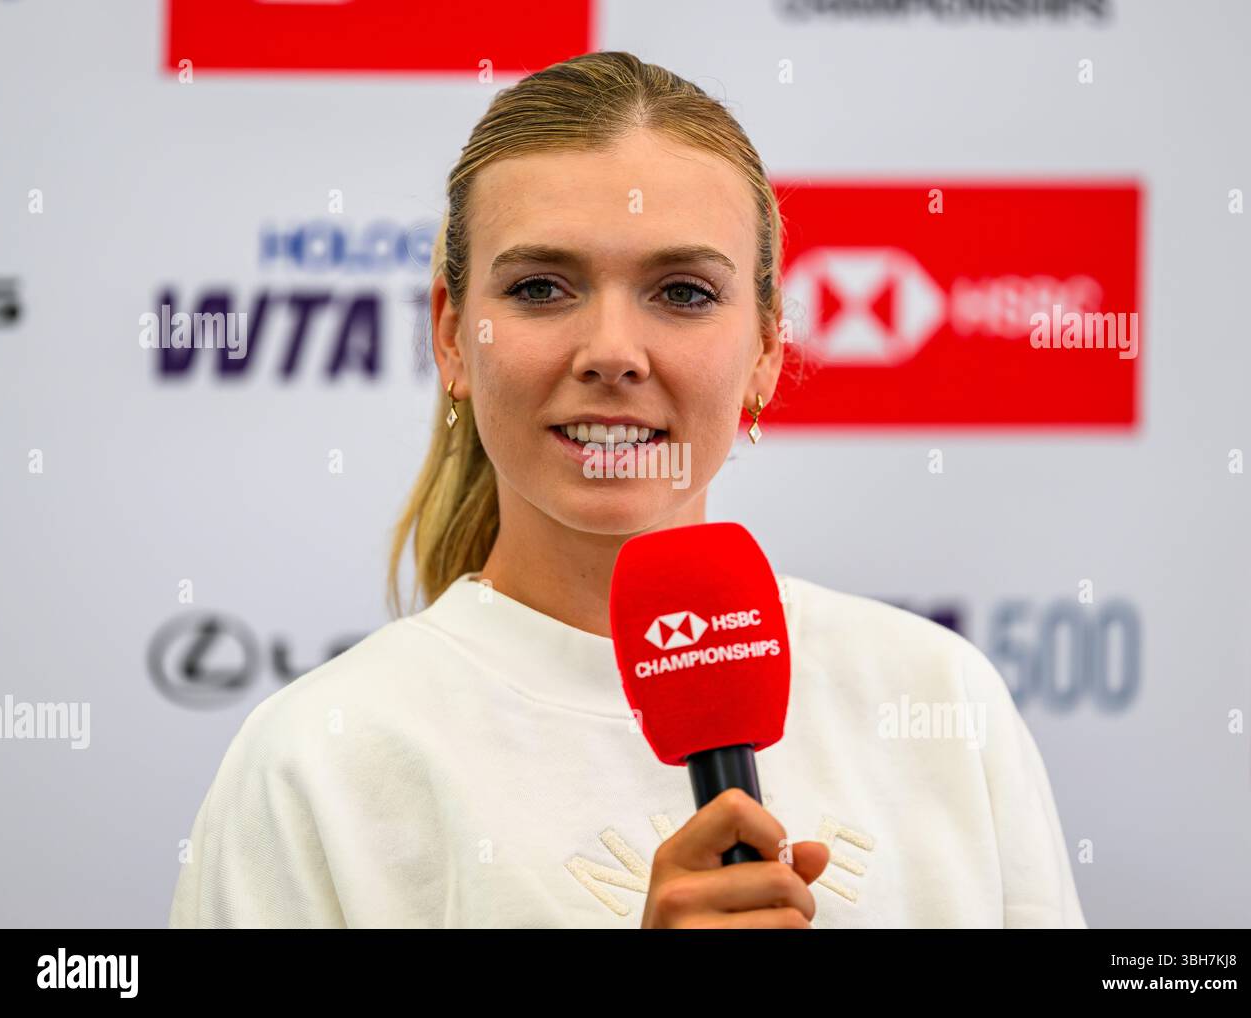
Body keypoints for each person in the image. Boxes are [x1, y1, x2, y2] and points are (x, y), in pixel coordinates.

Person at [168, 50, 1086, 929]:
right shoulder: (319, 759)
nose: (611, 351)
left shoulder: (937, 697)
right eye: (540, 287)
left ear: (767, 347)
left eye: (682, 292)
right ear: (451, 338)